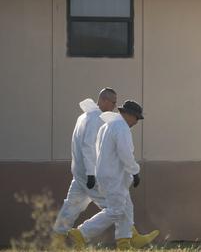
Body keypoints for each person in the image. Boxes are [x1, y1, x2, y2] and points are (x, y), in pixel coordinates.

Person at [68, 100, 158, 250]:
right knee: (115, 211)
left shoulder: (107, 126)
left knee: (127, 208)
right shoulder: (121, 128)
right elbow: (125, 154)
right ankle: (81, 233)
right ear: (128, 115)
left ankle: (125, 242)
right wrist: (135, 172)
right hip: (114, 177)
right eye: (136, 118)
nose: (136, 122)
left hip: (108, 175)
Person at [51, 88, 117, 248]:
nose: (115, 107)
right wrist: (91, 174)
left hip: (79, 173)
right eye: (113, 102)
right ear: (103, 100)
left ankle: (58, 238)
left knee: (71, 205)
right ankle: (82, 233)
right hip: (90, 174)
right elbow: (88, 147)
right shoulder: (96, 119)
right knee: (116, 207)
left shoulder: (83, 117)